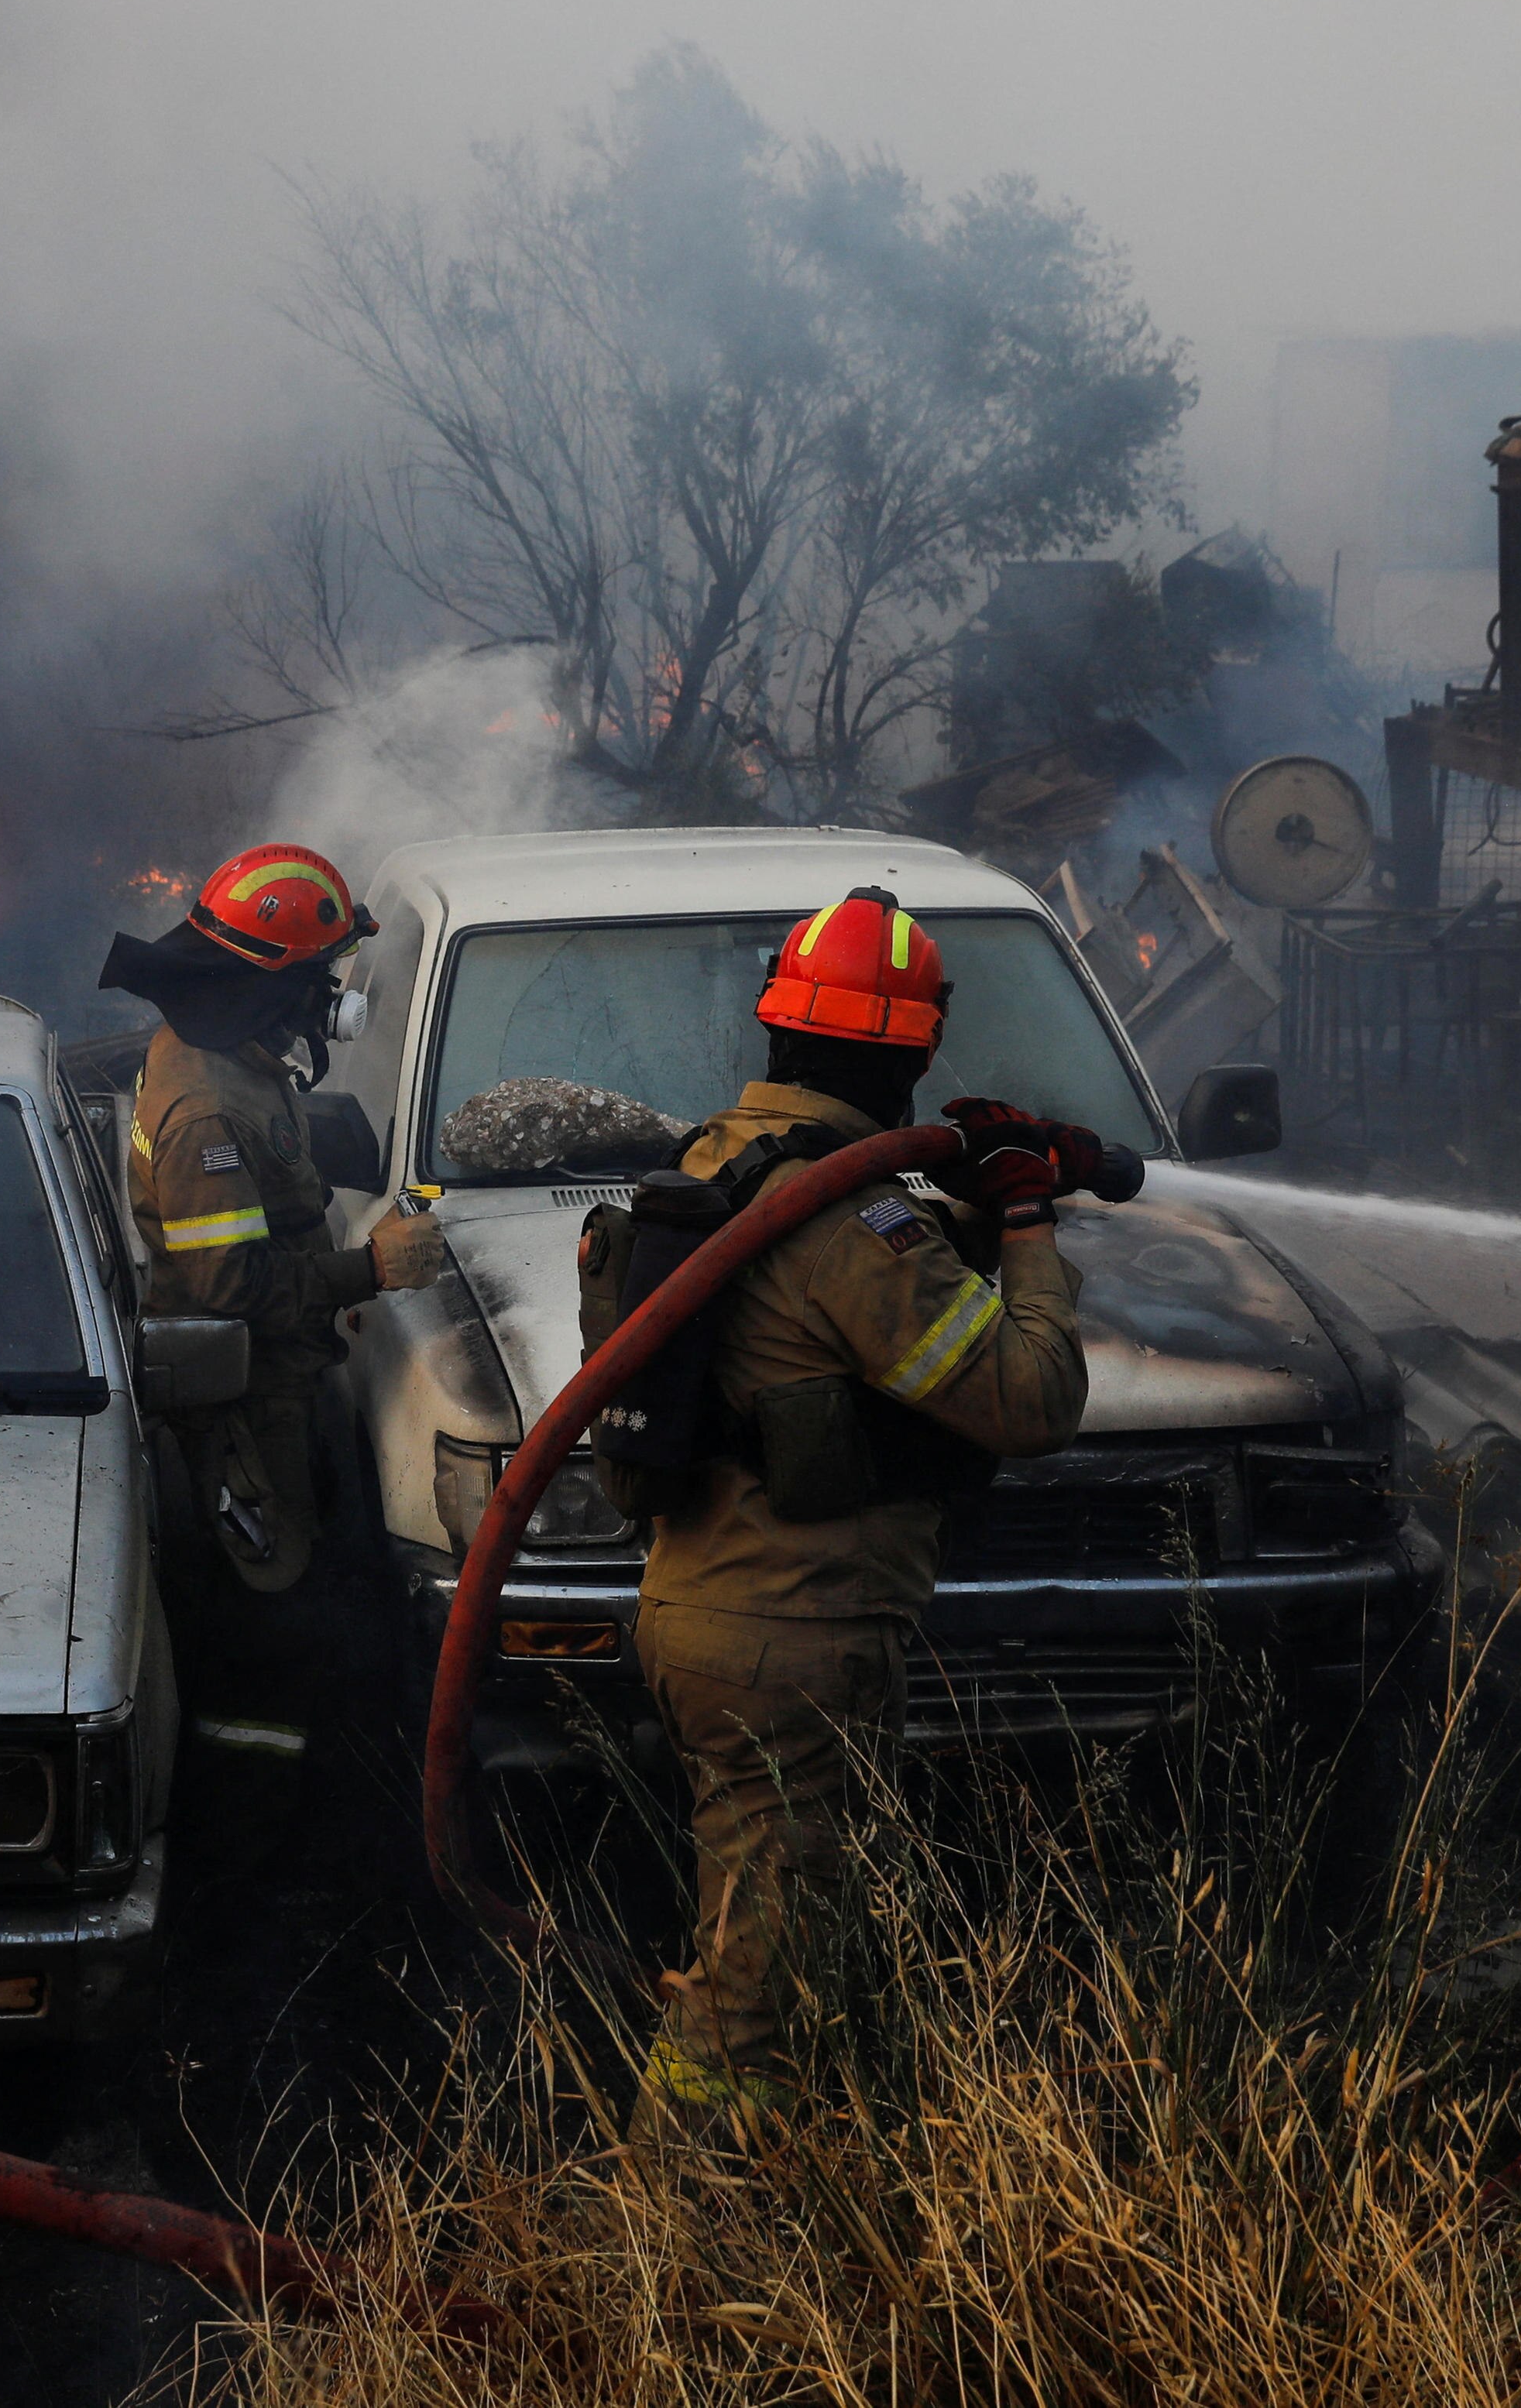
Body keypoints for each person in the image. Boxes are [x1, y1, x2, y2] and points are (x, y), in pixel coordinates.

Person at [628, 885, 1099, 2120]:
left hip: (706, 1608)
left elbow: (830, 1337)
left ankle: (754, 2198)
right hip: (796, 1633)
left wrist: (973, 1218)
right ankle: (675, 2243)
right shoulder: (852, 1218)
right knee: (752, 2000)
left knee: (762, 1948)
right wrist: (1032, 1223)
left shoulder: (714, 1166)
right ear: (916, 1048)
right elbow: (1032, 1400)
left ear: (778, 1028)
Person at [98, 842, 442, 1620]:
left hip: (283, 1377)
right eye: (321, 973)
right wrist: (374, 1267)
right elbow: (233, 1284)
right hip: (246, 1406)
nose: (333, 992)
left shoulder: (229, 1054)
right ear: (272, 984)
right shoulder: (206, 1112)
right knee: (280, 1614)